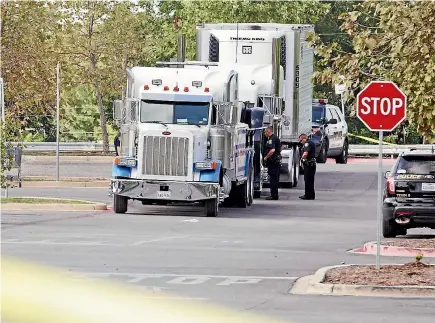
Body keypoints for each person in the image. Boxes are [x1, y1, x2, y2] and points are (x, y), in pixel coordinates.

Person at [263, 126, 281, 200]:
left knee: (273, 179)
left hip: (273, 162)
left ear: (268, 131)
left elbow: (272, 150)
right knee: (274, 178)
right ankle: (274, 195)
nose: (264, 133)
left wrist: (266, 157)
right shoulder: (275, 138)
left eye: (265, 132)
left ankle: (274, 195)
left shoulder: (272, 139)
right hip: (275, 162)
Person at [299, 133, 316, 200]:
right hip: (311, 164)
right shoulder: (311, 142)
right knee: (310, 180)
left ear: (304, 139)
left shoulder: (307, 144)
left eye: (301, 140)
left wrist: (301, 159)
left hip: (309, 164)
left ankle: (308, 195)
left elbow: (305, 153)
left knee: (308, 180)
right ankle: (311, 195)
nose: (300, 142)